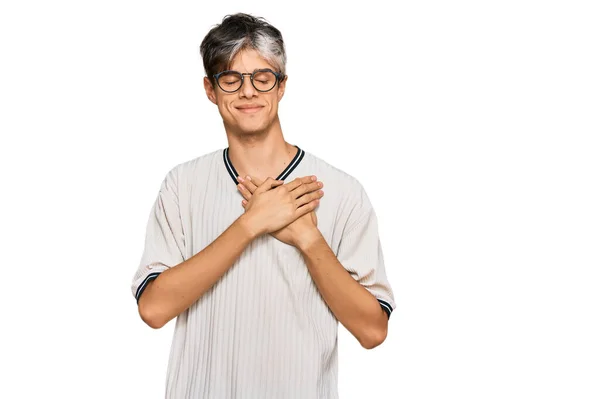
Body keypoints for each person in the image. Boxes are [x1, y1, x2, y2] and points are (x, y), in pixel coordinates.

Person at [131, 12, 396, 399]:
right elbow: (153, 309)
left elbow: (373, 331)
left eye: (262, 77)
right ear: (210, 89)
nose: (248, 91)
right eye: (231, 78)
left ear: (281, 86)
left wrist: (309, 239)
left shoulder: (341, 191)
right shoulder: (181, 186)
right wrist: (250, 224)